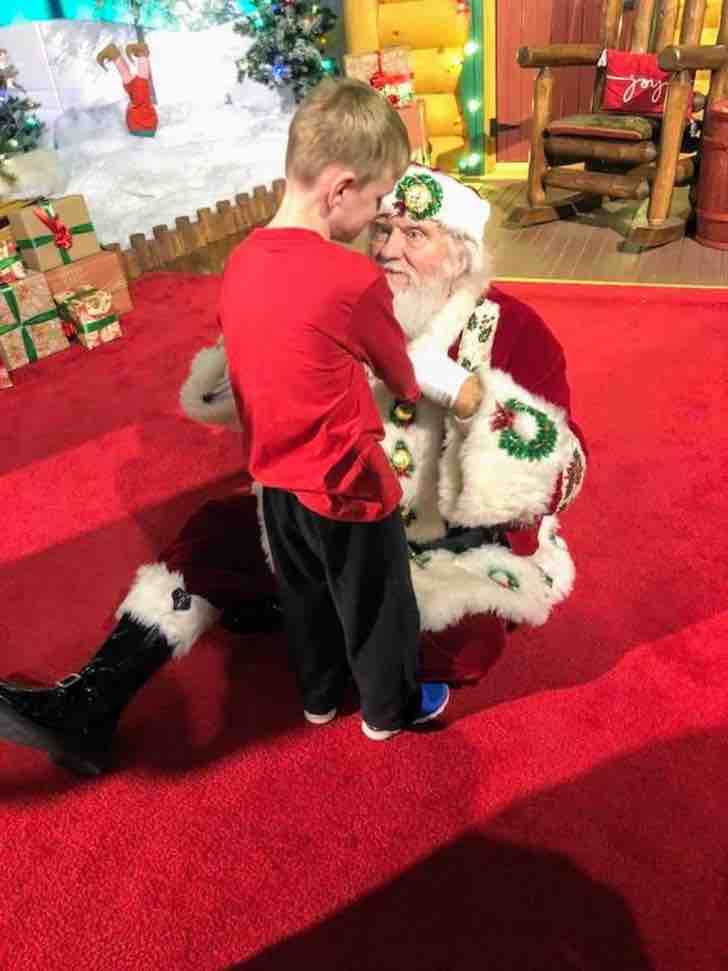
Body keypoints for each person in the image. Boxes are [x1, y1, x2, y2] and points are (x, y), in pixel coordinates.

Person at [0, 89, 484, 776]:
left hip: (275, 485)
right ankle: (387, 711)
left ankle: (318, 700)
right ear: (340, 189)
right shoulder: (350, 276)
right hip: (349, 486)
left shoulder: (244, 258)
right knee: (379, 605)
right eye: (377, 201)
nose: (379, 220)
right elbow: (402, 377)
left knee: (305, 598)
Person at [96, 41, 158, 138]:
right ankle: (141, 54)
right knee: (139, 92)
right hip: (143, 125)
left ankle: (115, 54)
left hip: (141, 126)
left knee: (134, 88)